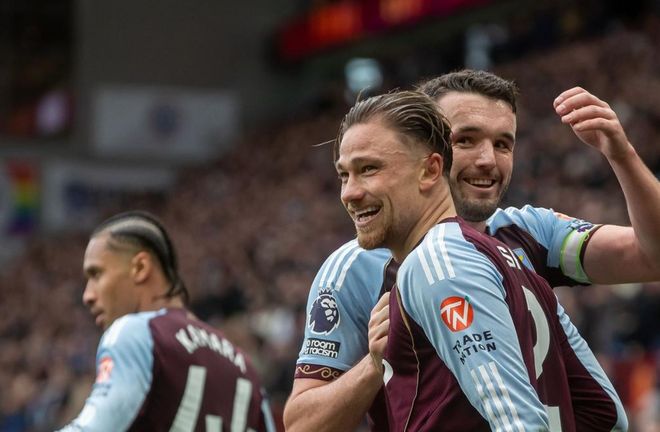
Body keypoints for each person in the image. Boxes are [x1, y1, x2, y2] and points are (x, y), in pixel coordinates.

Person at [283, 70, 658, 431]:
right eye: (465, 140)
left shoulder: (530, 231)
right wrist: (373, 365)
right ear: (428, 150)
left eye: (503, 144)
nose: (487, 160)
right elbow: (303, 424)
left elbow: (651, 257)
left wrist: (621, 154)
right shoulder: (356, 268)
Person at [335, 89, 579, 430]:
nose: (349, 192)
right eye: (344, 175)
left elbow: (519, 422)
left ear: (430, 170)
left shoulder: (436, 261)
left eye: (369, 169)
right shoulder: (514, 263)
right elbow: (607, 412)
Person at [58, 211, 276, 432]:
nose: (88, 295)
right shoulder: (245, 367)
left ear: (140, 268)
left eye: (96, 274)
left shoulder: (137, 332)